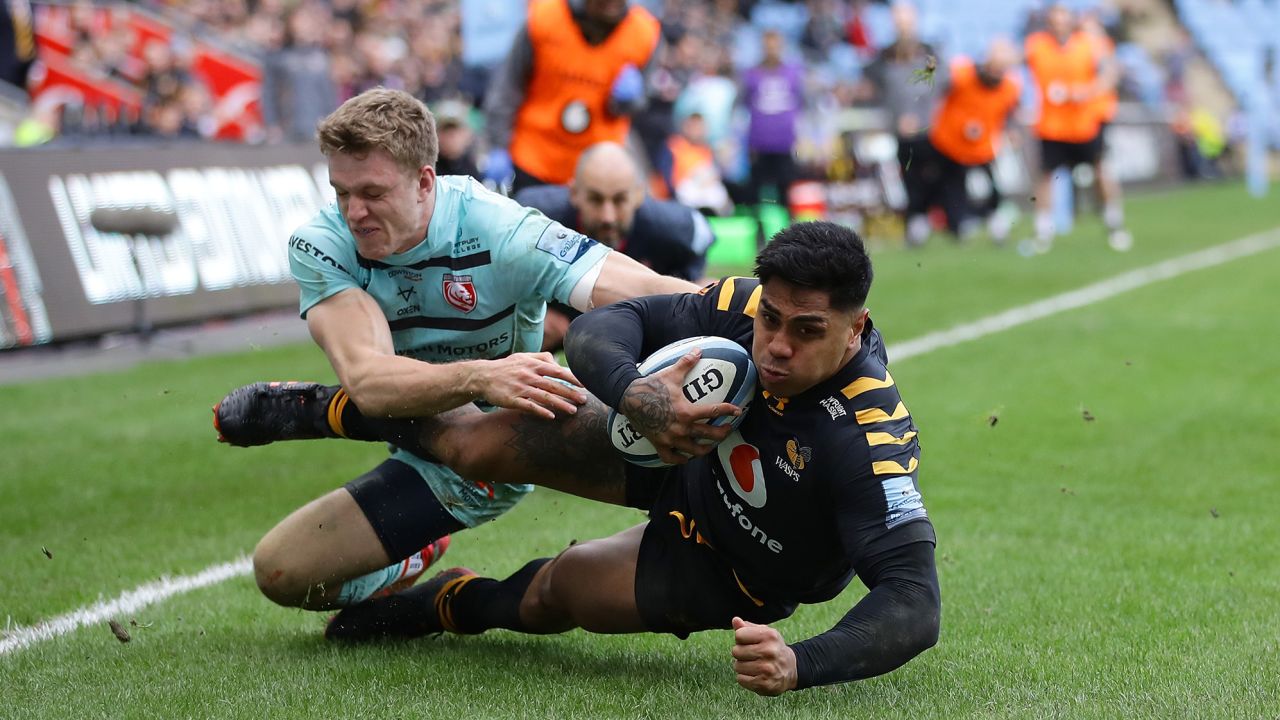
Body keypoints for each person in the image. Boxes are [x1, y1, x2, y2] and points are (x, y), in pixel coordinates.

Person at [310, 221, 941, 696]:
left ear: (855, 329)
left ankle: (447, 603)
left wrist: (802, 663)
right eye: (770, 319)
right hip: (676, 456)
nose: (774, 346)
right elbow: (604, 326)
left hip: (730, 565)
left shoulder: (868, 436)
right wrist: (639, 399)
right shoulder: (745, 307)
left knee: (558, 590)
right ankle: (336, 410)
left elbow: (914, 600)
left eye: (807, 331)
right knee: (481, 442)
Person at [213, 87, 698, 614]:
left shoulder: (500, 229)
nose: (354, 212)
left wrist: (759, 308)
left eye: (372, 193)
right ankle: (411, 564)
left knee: (633, 456)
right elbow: (372, 380)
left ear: (425, 181)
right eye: (340, 192)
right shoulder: (321, 244)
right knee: (281, 573)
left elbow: (651, 294)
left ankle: (325, 415)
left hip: (510, 432)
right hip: (417, 424)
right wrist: (478, 376)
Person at [514, 141, 716, 350]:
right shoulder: (535, 219)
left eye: (619, 200)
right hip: (560, 319)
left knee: (706, 294)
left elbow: (702, 241)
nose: (607, 217)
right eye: (595, 199)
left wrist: (688, 285)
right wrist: (532, 310)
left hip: (640, 316)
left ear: (639, 195)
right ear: (574, 193)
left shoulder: (673, 227)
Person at [482, 0, 662, 194]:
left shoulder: (644, 34)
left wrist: (628, 102)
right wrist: (498, 145)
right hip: (534, 160)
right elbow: (508, 87)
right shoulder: (543, 18)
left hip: (597, 170)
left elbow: (640, 103)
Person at [1024, 3, 1132, 253]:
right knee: (1046, 176)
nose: (1059, 24)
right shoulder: (1036, 45)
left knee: (1100, 171)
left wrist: (1083, 92)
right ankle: (1042, 230)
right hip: (1052, 126)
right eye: (1054, 19)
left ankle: (1114, 223)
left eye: (1063, 18)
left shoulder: (1089, 44)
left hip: (1084, 124)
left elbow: (1110, 74)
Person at [860, 1, 945, 247]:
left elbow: (939, 88)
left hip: (930, 128)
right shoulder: (884, 57)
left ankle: (936, 218)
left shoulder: (931, 53)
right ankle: (917, 220)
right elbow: (876, 88)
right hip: (901, 130)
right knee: (909, 177)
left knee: (934, 175)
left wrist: (924, 116)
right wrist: (897, 119)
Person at [922, 38, 1022, 242]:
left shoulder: (1010, 87)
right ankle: (956, 226)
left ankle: (994, 221)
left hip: (982, 147)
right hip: (949, 143)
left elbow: (1009, 113)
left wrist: (1012, 131)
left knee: (993, 187)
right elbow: (935, 89)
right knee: (949, 187)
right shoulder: (962, 74)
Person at [740, 29, 805, 220]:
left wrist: (802, 137)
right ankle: (758, 235)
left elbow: (801, 106)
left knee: (786, 189)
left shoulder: (792, 73)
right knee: (756, 192)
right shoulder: (751, 74)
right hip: (759, 142)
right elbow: (742, 108)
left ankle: (789, 234)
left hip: (784, 142)